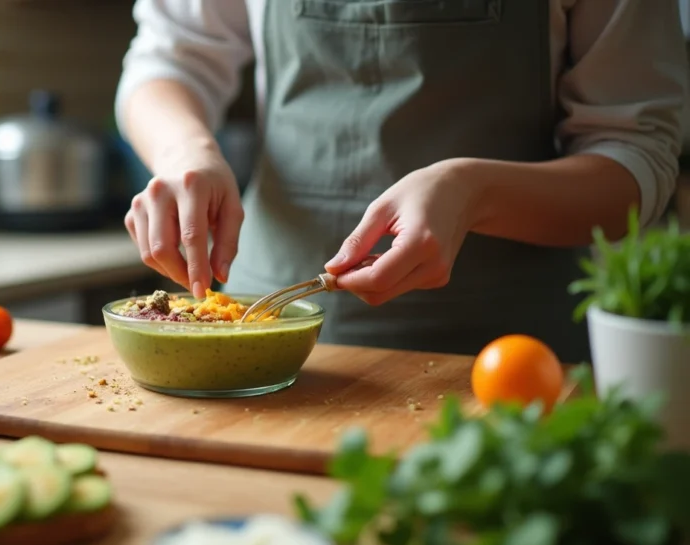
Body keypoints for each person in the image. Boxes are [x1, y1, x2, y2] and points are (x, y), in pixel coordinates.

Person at [114, 0, 689, 363]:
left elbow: (636, 157)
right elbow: (168, 61)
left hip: (509, 355)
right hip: (271, 342)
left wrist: (472, 190)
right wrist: (186, 151)